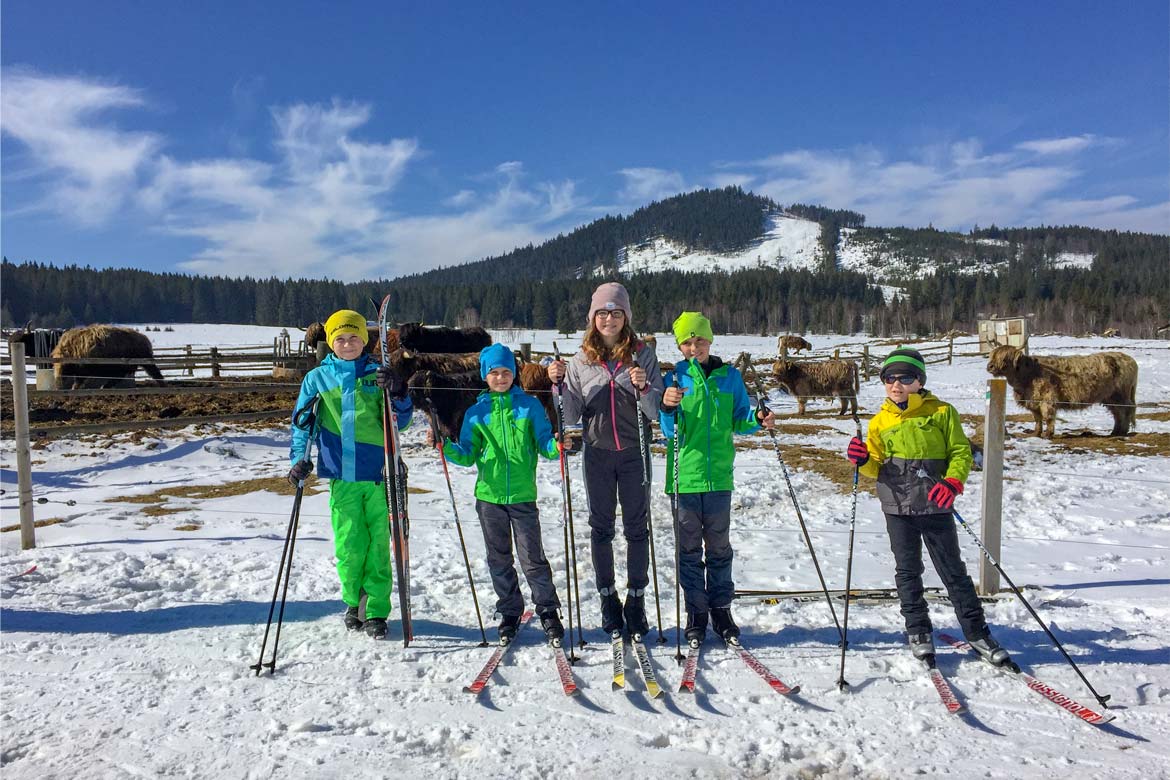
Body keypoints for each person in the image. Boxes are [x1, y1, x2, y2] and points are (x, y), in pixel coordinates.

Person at [845, 347, 1011, 666]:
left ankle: (977, 632)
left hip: (935, 504)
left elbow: (961, 453)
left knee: (953, 571)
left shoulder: (942, 413)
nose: (897, 384)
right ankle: (918, 630)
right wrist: (862, 460)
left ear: (920, 381)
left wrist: (953, 482)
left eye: (906, 378)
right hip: (897, 507)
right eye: (889, 378)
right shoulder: (879, 421)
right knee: (908, 572)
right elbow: (875, 467)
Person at [547, 282, 664, 639]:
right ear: (592, 317)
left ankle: (637, 599)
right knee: (601, 528)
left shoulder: (643, 354)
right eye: (602, 312)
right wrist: (557, 385)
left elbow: (657, 409)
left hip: (635, 453)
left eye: (616, 312)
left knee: (636, 528)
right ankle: (607, 597)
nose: (608, 319)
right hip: (597, 454)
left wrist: (644, 388)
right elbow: (570, 414)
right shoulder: (582, 359)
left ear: (626, 316)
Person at [289, 309, 411, 641]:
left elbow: (403, 420)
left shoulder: (376, 374)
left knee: (378, 547)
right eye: (340, 339)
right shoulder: (317, 378)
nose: (347, 344)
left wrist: (398, 392)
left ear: (364, 340)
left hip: (378, 475)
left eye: (354, 337)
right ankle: (353, 603)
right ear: (330, 342)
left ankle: (375, 611)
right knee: (349, 545)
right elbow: (302, 425)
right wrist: (299, 460)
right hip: (341, 476)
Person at [436, 343, 565, 643]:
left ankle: (547, 610)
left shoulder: (529, 406)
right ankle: (509, 610)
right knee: (499, 558)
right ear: (485, 375)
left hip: (522, 496)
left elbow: (544, 442)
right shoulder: (476, 412)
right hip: (489, 498)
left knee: (532, 558)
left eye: (506, 372)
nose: (501, 378)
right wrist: (447, 448)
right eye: (494, 373)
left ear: (515, 373)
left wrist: (555, 447)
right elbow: (468, 454)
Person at [659, 312, 775, 644]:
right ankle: (696, 612)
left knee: (720, 549)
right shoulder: (675, 379)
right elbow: (670, 432)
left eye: (699, 340)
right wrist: (668, 407)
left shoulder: (730, 378)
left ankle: (721, 609)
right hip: (684, 480)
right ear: (680, 346)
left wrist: (758, 417)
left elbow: (739, 418)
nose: (694, 347)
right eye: (687, 342)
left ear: (710, 340)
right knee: (689, 550)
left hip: (719, 479)